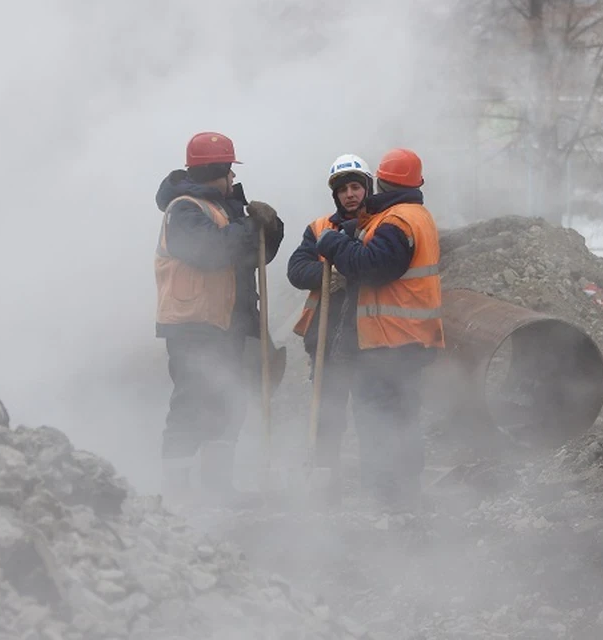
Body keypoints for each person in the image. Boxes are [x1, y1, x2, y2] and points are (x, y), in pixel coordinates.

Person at [154, 131, 284, 505]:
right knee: (193, 401)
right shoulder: (183, 209)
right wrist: (250, 227)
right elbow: (210, 251)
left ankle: (217, 488)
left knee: (229, 402)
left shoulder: (225, 210)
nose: (233, 180)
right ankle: (176, 493)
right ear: (217, 171)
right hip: (194, 322)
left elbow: (252, 255)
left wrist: (270, 230)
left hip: (228, 322)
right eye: (229, 172)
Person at [315, 148, 444, 512]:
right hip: (408, 338)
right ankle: (404, 495)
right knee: (402, 415)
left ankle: (386, 498)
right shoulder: (414, 215)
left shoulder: (397, 221)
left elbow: (373, 267)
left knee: (377, 418)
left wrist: (335, 243)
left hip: (390, 340)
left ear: (381, 182)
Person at [287, 154, 373, 504]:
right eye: (343, 190)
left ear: (367, 188)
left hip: (370, 334)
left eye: (356, 187)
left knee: (370, 410)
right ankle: (324, 478)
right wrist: (326, 278)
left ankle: (373, 480)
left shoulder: (382, 223)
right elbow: (296, 269)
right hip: (326, 335)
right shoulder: (321, 227)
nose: (350, 195)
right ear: (335, 195)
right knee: (328, 409)